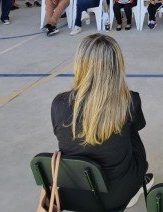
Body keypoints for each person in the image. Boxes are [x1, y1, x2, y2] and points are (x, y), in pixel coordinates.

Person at [51, 34, 152, 210]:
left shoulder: (59, 103)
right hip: (117, 193)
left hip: (75, 192)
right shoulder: (130, 101)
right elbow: (139, 126)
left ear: (80, 64)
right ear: (117, 66)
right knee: (131, 130)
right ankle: (134, 186)